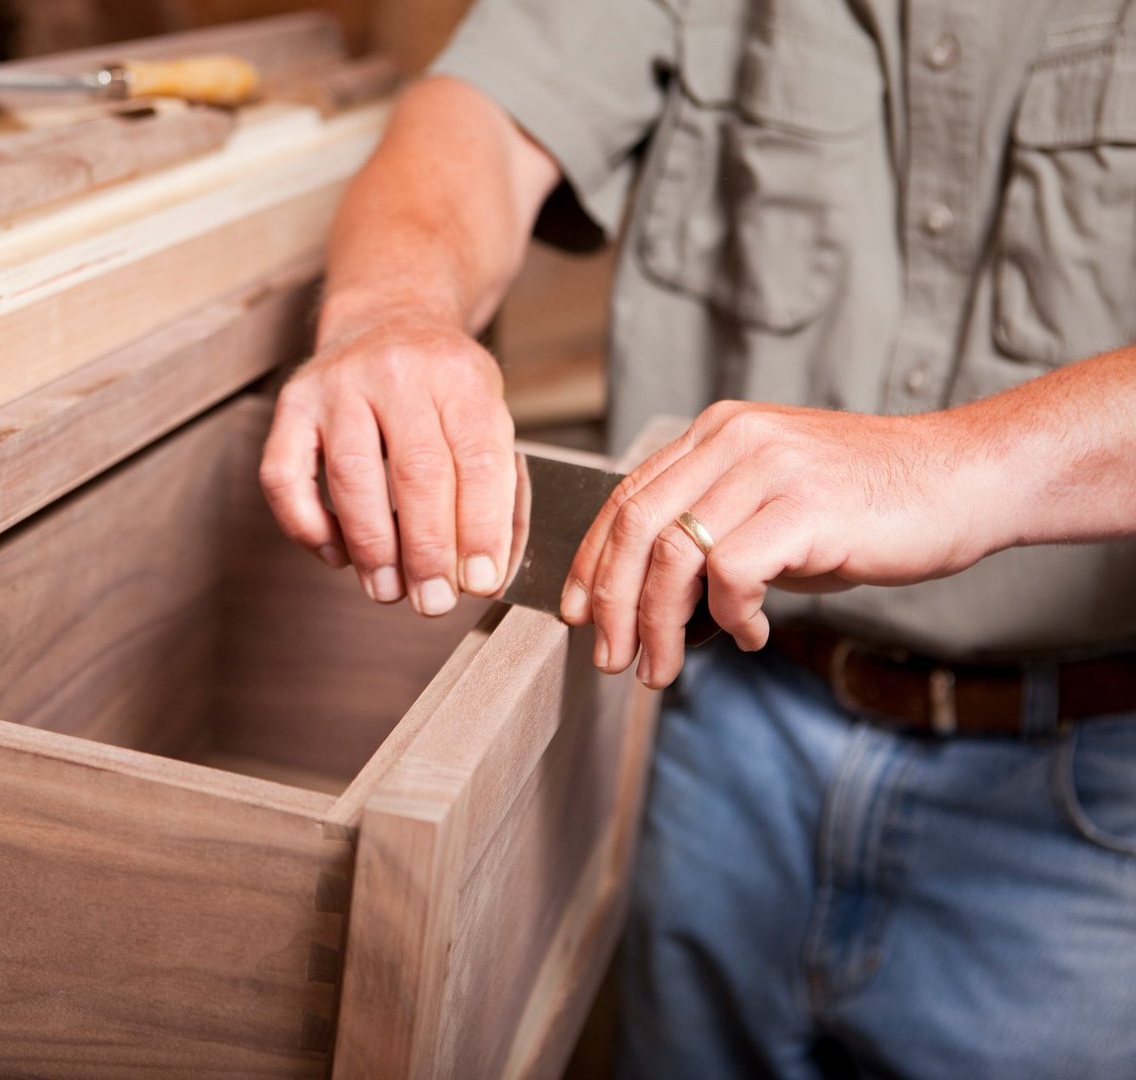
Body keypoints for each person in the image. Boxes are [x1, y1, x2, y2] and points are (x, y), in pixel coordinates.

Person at [258, 1, 1136, 1076]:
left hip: (1089, 787)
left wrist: (957, 465)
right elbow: (479, 117)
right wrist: (390, 307)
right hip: (724, 731)